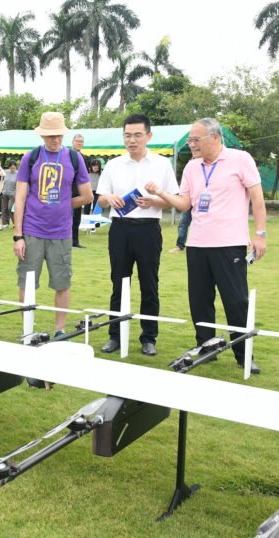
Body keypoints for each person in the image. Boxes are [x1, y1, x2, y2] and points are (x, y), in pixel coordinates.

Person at [146, 117, 267, 373]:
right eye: (190, 139)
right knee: (200, 300)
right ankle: (206, 347)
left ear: (215, 137)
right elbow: (184, 204)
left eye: (195, 139)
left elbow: (257, 197)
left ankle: (243, 354)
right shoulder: (192, 166)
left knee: (236, 301)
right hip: (198, 244)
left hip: (230, 244)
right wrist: (161, 193)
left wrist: (260, 234)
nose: (191, 144)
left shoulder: (240, 159)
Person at [97, 114, 179, 357]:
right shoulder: (113, 165)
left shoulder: (162, 164)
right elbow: (101, 197)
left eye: (137, 135)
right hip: (120, 230)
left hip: (148, 229)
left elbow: (173, 200)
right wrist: (109, 199)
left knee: (149, 284)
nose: (132, 140)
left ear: (148, 136)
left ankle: (149, 337)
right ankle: (115, 335)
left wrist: (154, 200)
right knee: (119, 282)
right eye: (127, 135)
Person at [13, 112, 92, 335]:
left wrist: (63, 204)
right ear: (42, 135)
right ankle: (27, 330)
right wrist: (18, 236)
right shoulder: (31, 157)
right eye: (49, 135)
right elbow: (19, 198)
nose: (54, 139)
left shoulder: (75, 158)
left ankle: (60, 330)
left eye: (58, 135)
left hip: (61, 232)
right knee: (26, 283)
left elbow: (87, 196)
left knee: (62, 283)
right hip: (31, 230)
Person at [70, 134, 87, 248]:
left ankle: (75, 242)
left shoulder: (84, 158)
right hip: (68, 191)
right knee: (66, 217)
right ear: (73, 142)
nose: (79, 143)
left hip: (79, 191)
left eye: (81, 141)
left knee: (77, 218)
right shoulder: (67, 155)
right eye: (77, 141)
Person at [0, 160, 17, 228]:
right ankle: (5, 223)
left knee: (10, 208)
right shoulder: (6, 172)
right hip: (4, 193)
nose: (12, 169)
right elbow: (0, 173)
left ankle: (15, 223)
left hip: (13, 194)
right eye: (11, 168)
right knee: (4, 209)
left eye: (14, 168)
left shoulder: (18, 174)